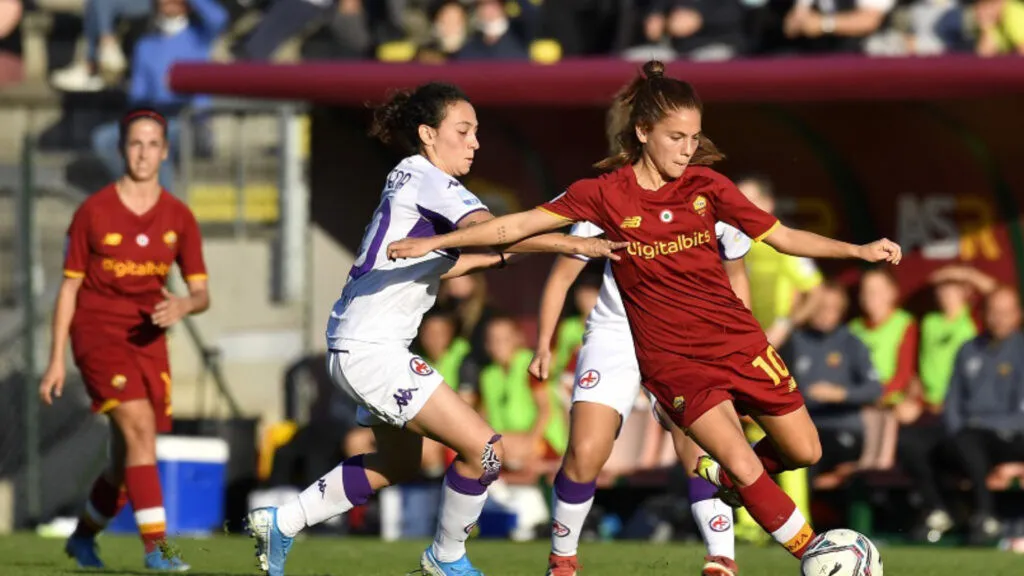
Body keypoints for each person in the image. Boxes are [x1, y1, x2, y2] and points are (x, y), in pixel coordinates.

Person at [387, 60, 902, 564]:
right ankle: (815, 553)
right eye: (676, 137)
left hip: (737, 341)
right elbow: (514, 227)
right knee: (742, 461)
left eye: (695, 136)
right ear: (642, 132)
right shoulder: (603, 195)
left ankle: (727, 484)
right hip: (674, 361)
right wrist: (441, 243)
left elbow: (784, 237)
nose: (689, 148)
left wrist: (858, 251)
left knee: (804, 451)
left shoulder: (709, 188)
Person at [244, 82, 624, 576]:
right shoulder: (430, 181)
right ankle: (445, 558)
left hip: (358, 343)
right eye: (463, 131)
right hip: (372, 350)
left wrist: (505, 252)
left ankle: (283, 521)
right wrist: (575, 240)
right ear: (428, 134)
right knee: (486, 451)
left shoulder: (410, 178)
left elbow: (455, 261)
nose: (475, 142)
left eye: (477, 132)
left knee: (400, 463)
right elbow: (499, 228)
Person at [531, 218, 753, 576]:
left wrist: (738, 347)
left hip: (686, 336)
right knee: (585, 452)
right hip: (614, 334)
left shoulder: (712, 200)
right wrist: (544, 343)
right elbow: (561, 276)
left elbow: (737, 271)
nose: (684, 157)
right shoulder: (604, 199)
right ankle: (562, 561)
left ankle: (721, 560)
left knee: (700, 439)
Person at [41, 108, 210, 571]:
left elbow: (201, 291)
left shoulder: (179, 217)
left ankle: (81, 539)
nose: (143, 152)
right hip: (97, 334)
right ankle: (158, 549)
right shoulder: (93, 212)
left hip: (149, 340)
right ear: (121, 150)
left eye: (152, 143)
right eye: (135, 143)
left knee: (126, 459)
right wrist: (56, 359)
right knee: (139, 430)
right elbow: (70, 287)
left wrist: (184, 304)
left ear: (165, 151)